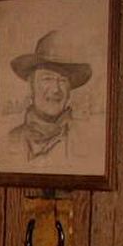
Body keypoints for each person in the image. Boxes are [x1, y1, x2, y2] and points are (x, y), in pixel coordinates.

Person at [6, 30, 92, 163]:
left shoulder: (87, 142)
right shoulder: (7, 142)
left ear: (70, 89)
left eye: (63, 80)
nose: (56, 89)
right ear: (31, 85)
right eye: (47, 79)